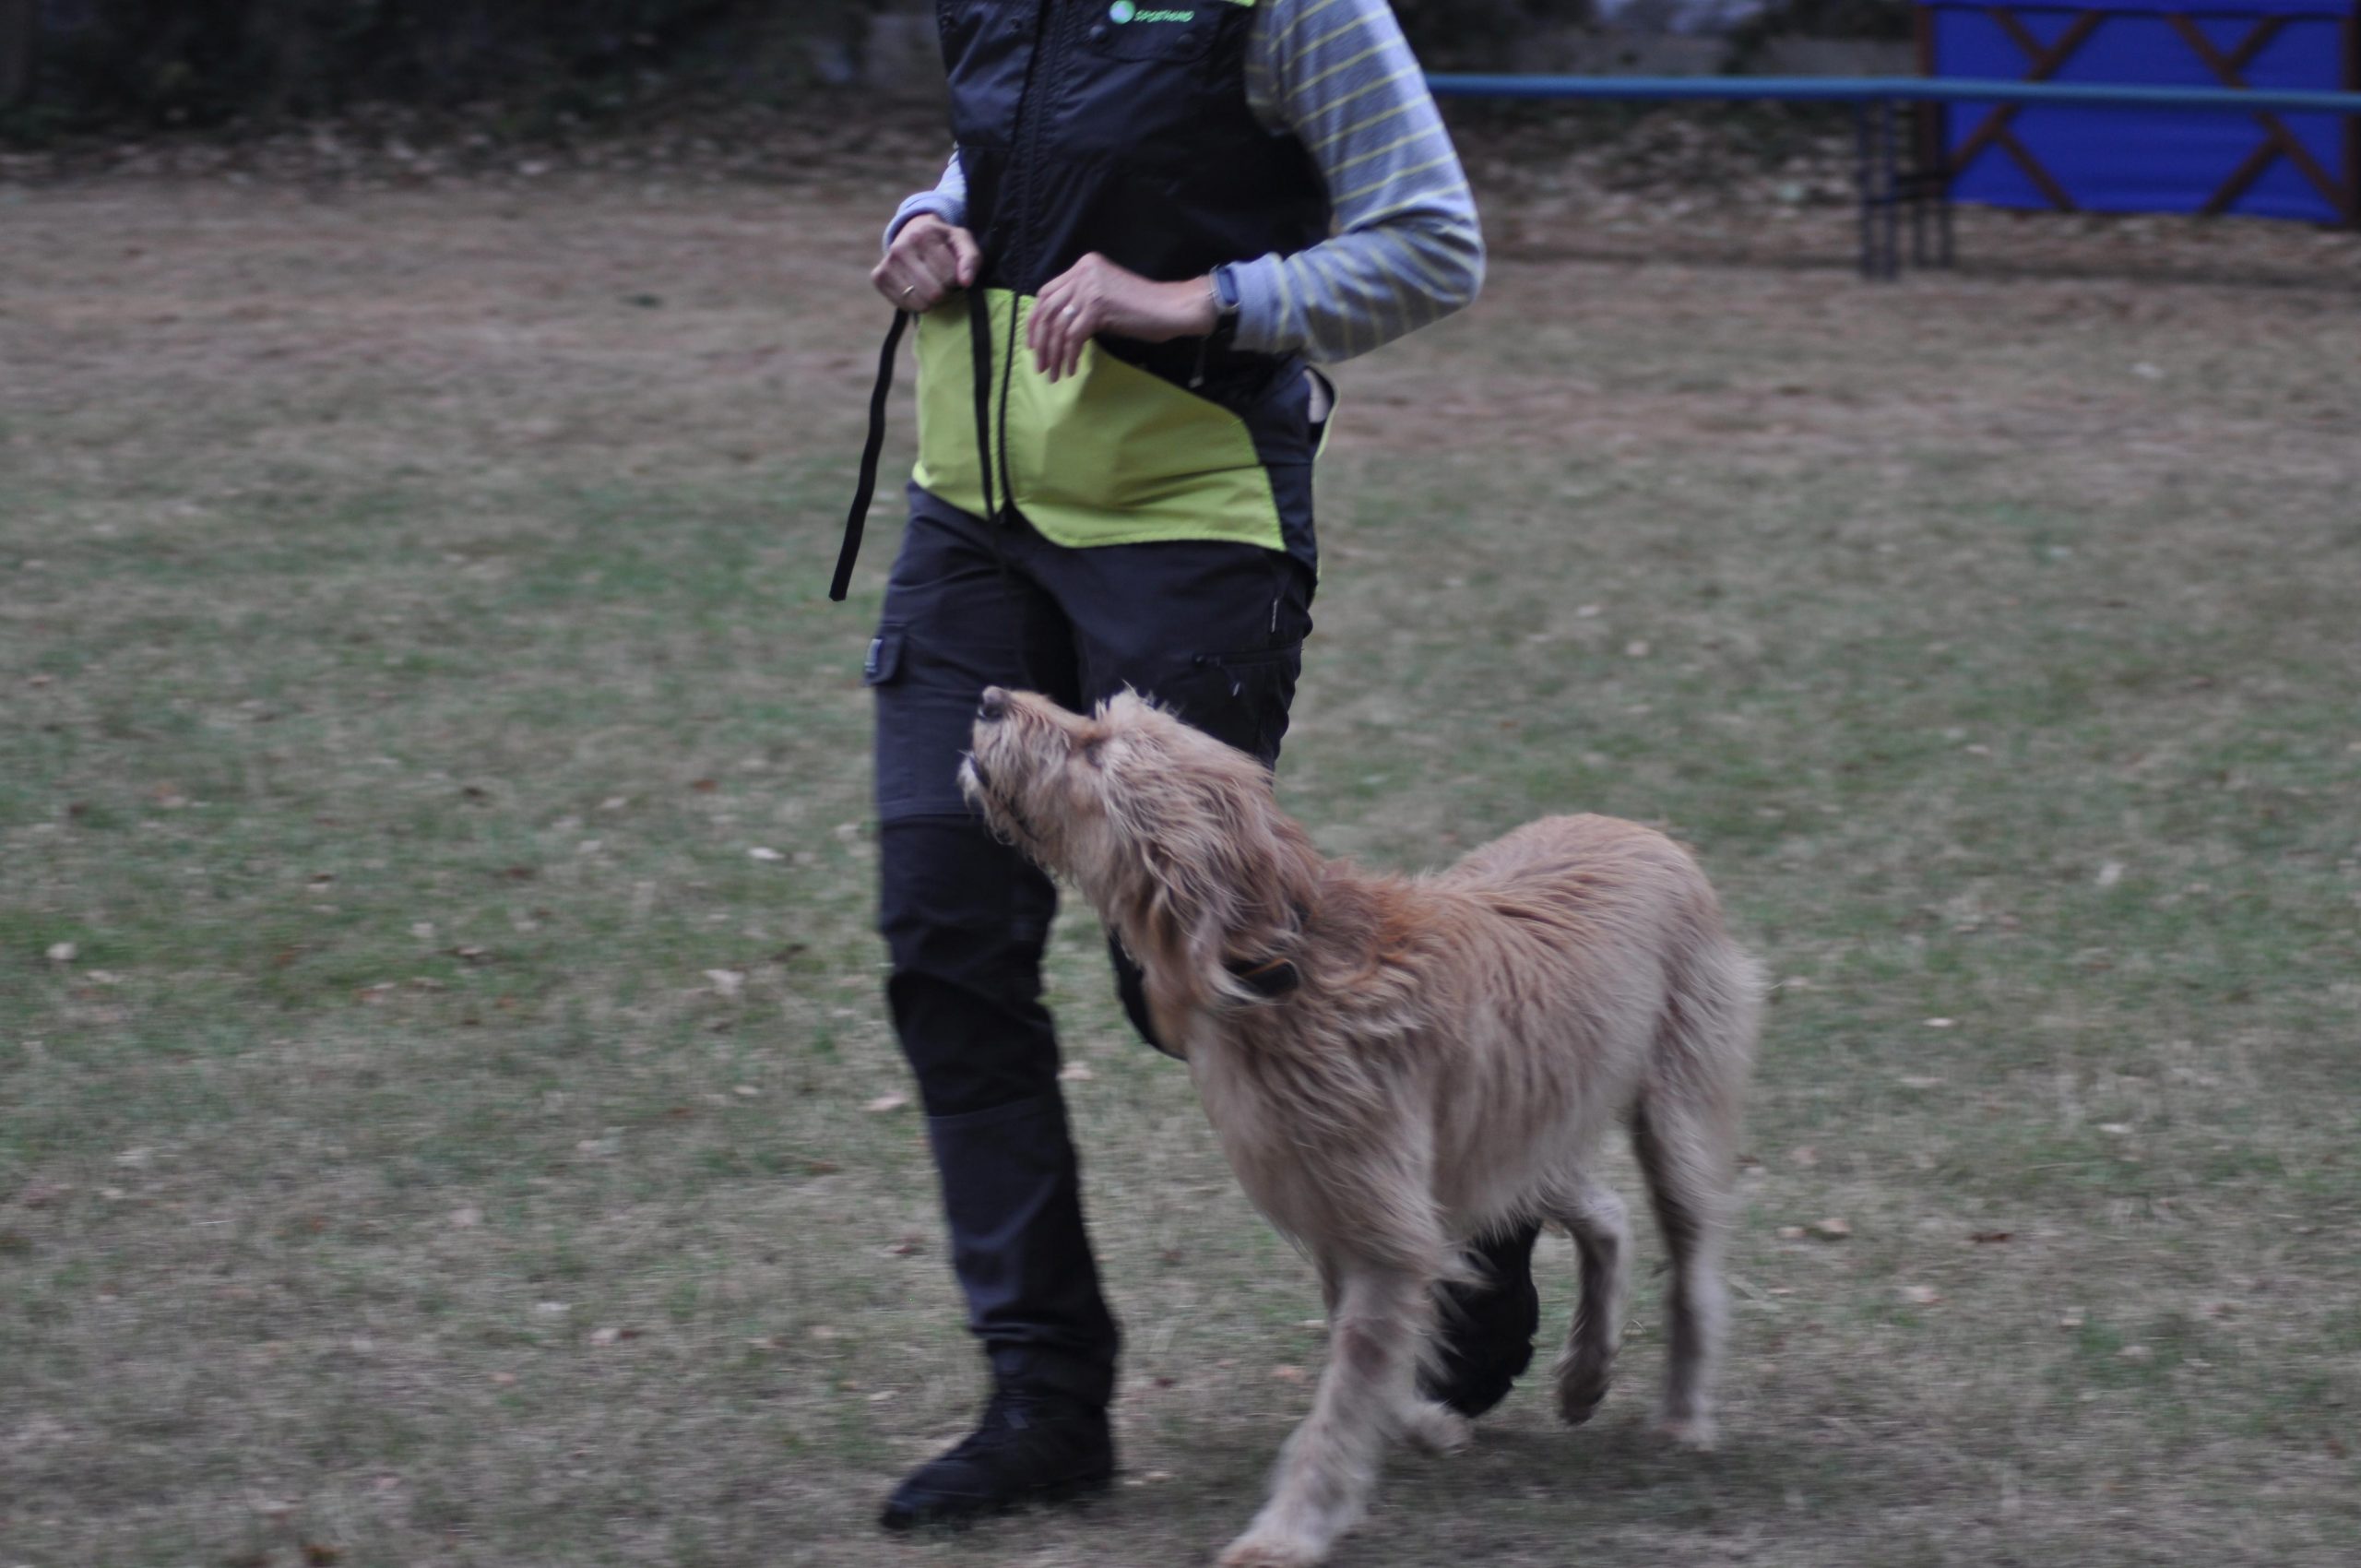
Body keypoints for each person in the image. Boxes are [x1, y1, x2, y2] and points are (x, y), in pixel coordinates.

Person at [848, 0, 1537, 1531]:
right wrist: (925, 224)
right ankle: (1043, 1400)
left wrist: (1196, 300)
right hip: (972, 514)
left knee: (1204, 969)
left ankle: (1472, 1202)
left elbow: (1435, 244)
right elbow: (1019, 153)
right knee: (944, 945)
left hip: (1184, 518)